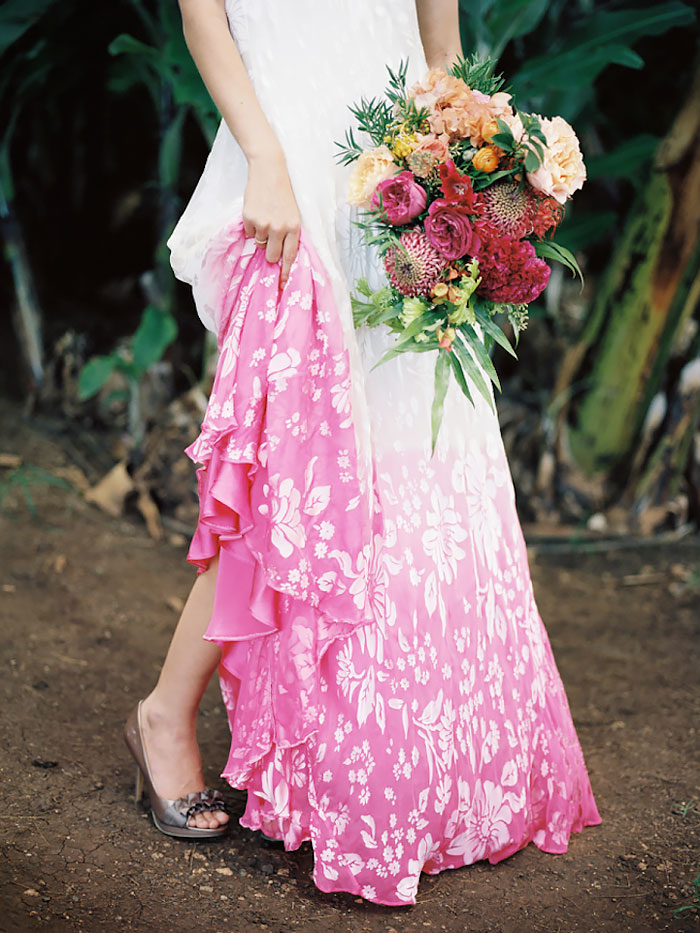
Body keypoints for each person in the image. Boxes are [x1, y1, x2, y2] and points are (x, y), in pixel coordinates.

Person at [124, 0, 602, 906]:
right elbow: (204, 19)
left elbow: (442, 44)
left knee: (422, 472)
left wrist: (473, 180)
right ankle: (165, 715)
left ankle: (408, 780)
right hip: (291, 185)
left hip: (406, 203)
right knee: (290, 480)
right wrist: (265, 161)